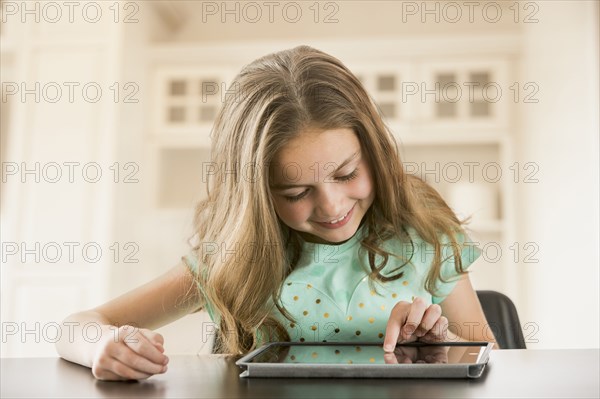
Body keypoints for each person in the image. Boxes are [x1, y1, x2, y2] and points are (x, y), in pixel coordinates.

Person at [55, 45, 498, 380]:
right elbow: (76, 327)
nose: (332, 206)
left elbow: (492, 359)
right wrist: (104, 345)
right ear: (258, 195)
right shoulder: (230, 261)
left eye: (346, 174)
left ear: (375, 154)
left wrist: (438, 346)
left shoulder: (425, 233)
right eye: (295, 191)